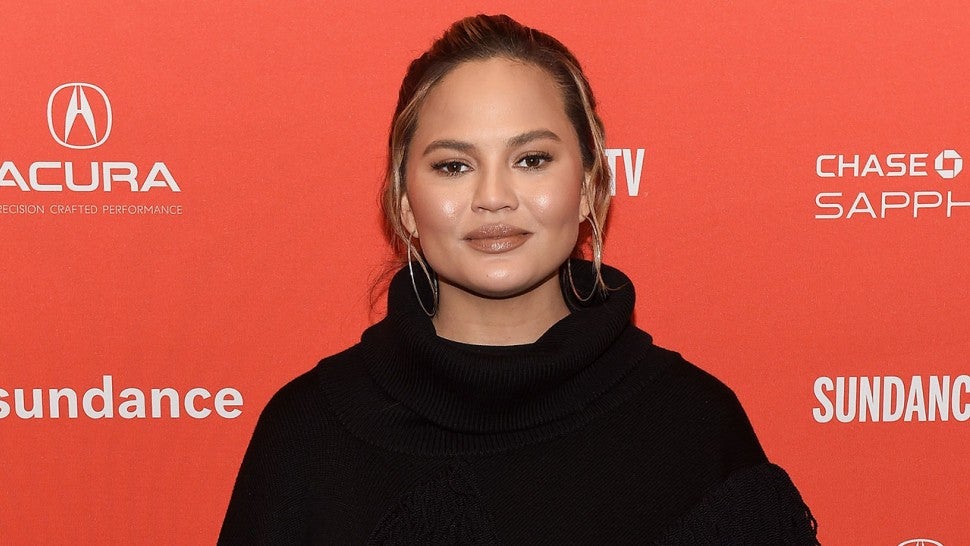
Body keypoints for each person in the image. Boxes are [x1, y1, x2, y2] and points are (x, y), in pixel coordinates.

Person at [219, 14, 819, 545]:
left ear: (588, 186)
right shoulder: (309, 432)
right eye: (454, 166)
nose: (494, 197)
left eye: (531, 159)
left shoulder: (694, 427)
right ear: (404, 203)